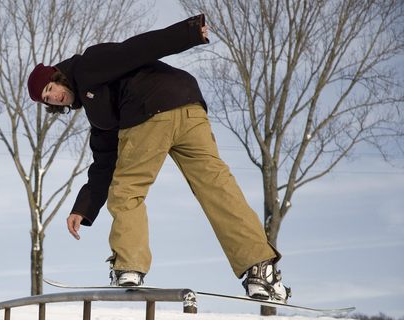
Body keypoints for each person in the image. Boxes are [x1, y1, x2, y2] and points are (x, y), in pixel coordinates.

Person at [27, 15, 290, 303]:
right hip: (188, 106)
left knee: (126, 191)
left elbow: (136, 49)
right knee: (217, 187)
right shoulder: (98, 113)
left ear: (57, 76)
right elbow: (104, 162)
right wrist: (84, 208)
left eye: (50, 88)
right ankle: (260, 269)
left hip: (151, 109)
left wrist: (187, 33)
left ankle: (129, 266)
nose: (53, 97)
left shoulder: (88, 64)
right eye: (47, 99)